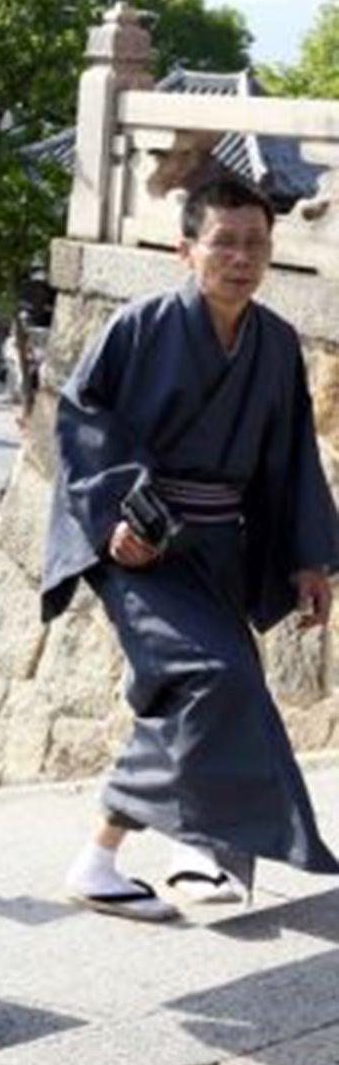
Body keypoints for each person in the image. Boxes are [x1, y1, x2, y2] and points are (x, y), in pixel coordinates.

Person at [44, 178, 339, 918]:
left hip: (219, 547)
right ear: (186, 249)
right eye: (225, 242)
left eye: (256, 244)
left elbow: (291, 454)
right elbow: (82, 422)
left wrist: (308, 558)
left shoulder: (273, 342)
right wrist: (117, 519)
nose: (242, 258)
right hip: (142, 546)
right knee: (213, 677)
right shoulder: (140, 327)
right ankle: (135, 853)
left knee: (209, 684)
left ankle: (168, 854)